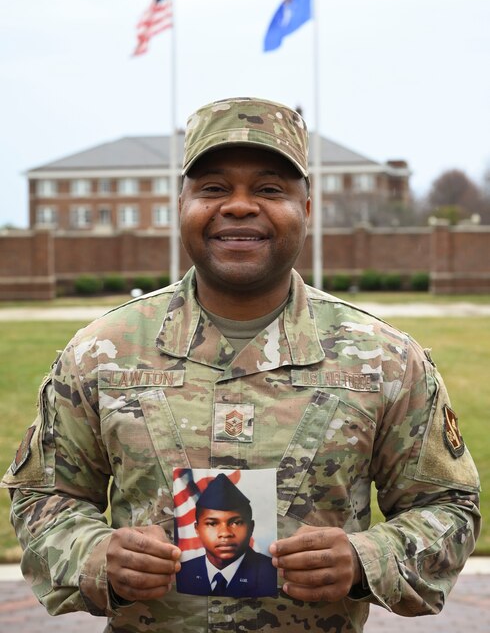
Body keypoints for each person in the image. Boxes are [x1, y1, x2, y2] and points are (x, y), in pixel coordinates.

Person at [2, 96, 480, 633]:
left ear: (307, 207)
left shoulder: (385, 359)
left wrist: (367, 558)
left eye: (270, 189)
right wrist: (96, 557)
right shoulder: (100, 354)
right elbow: (45, 498)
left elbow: (449, 505)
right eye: (213, 188)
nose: (238, 206)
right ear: (181, 202)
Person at [176, 472, 276, 597]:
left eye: (236, 522)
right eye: (212, 524)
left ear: (251, 528)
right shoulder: (182, 573)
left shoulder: (273, 574)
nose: (225, 533)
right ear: (197, 529)